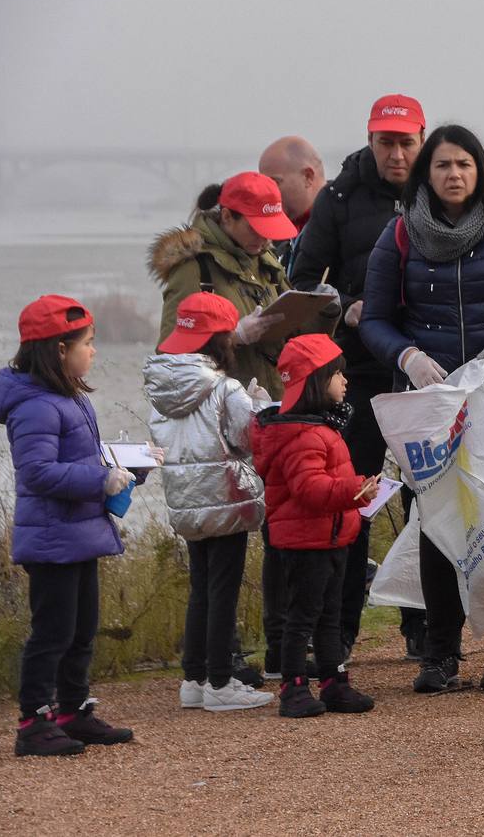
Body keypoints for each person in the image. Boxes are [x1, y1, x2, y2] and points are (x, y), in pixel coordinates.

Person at [360, 123, 484, 694]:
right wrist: (410, 357)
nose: (453, 175)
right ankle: (440, 654)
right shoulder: (400, 233)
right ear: (428, 172)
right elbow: (374, 319)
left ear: (480, 172)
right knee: (437, 523)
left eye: (464, 165)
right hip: (432, 404)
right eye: (443, 165)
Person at [149, 171, 336, 685]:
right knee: (219, 551)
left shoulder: (266, 259)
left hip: (267, 408)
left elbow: (279, 335)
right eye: (254, 226)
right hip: (218, 422)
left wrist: (311, 318)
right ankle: (218, 661)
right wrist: (236, 332)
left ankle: (280, 648)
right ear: (225, 217)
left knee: (282, 532)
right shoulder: (194, 269)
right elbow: (173, 345)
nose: (264, 236)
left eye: (270, 227)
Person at [290, 94, 426, 660]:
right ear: (370, 141)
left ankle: (424, 629)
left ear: (422, 139)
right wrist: (344, 305)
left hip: (425, 367)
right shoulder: (339, 197)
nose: (396, 154)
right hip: (360, 370)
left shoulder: (440, 191)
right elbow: (301, 280)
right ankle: (340, 632)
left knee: (429, 496)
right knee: (355, 496)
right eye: (385, 142)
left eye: (405, 143)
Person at [0, 296, 137, 756]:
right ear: (58, 349)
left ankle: (73, 710)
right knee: (52, 631)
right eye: (87, 343)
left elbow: (77, 458)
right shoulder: (35, 405)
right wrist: (100, 478)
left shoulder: (68, 396)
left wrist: (126, 464)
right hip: (52, 538)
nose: (93, 351)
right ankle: (33, 721)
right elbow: (36, 472)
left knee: (81, 628)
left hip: (80, 531)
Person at [145, 293, 274, 712]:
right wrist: (256, 406)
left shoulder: (162, 387)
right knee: (223, 591)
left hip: (186, 503)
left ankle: (194, 677)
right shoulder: (224, 387)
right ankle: (220, 681)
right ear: (219, 340)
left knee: (201, 589)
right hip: (225, 500)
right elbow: (246, 440)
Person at [250, 334, 379, 718]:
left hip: (330, 536)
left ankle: (333, 681)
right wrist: (356, 490)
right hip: (305, 539)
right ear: (316, 382)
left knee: (329, 614)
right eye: (338, 374)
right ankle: (293, 687)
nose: (346, 381)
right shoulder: (302, 435)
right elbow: (309, 488)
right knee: (302, 615)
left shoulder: (320, 427)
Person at [258, 135, 327, 275]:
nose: (268, 193)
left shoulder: (346, 226)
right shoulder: (268, 236)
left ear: (308, 177)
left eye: (275, 183)